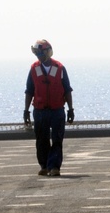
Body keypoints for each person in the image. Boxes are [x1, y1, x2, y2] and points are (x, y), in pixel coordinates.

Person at [24, 39, 75, 176]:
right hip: (40, 111)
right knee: (41, 139)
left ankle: (54, 167)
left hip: (57, 110)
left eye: (40, 52)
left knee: (57, 139)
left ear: (47, 52)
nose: (39, 56)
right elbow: (29, 91)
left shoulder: (59, 68)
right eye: (37, 53)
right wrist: (26, 111)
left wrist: (70, 109)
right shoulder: (34, 69)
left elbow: (67, 90)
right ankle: (44, 165)